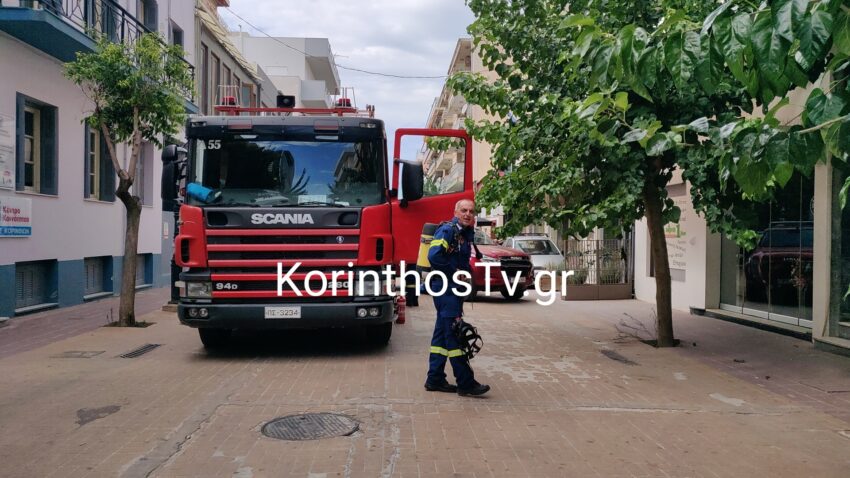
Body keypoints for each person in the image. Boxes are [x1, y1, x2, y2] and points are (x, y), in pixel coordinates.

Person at [424, 199, 490, 396]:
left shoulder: (464, 234)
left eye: (471, 211)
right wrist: (455, 273)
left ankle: (434, 379)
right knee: (455, 334)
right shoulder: (448, 231)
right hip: (446, 290)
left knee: (442, 335)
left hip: (452, 290)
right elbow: (434, 256)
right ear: (455, 212)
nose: (468, 214)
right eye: (464, 210)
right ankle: (465, 382)